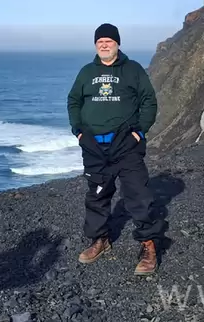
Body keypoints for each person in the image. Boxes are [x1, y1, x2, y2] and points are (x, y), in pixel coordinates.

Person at [67, 22, 163, 275]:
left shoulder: (133, 70)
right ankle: (101, 240)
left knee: (138, 195)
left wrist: (138, 132)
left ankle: (148, 244)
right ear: (96, 45)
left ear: (117, 44)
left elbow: (149, 101)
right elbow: (74, 101)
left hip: (126, 145)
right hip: (94, 147)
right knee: (97, 195)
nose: (104, 44)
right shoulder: (87, 72)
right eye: (100, 42)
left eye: (109, 41)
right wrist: (78, 131)